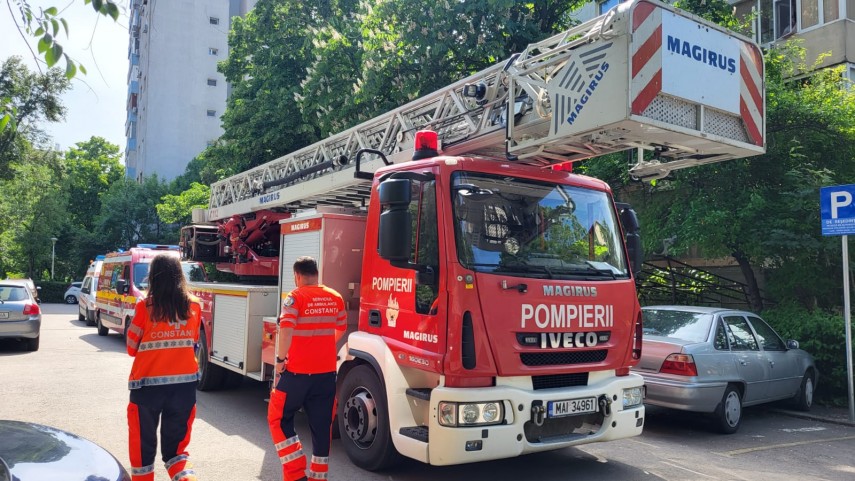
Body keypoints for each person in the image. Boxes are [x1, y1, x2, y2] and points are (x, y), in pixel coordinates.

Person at [268, 256, 347, 481]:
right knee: (322, 427)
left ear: (297, 276)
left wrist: (280, 359)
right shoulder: (335, 297)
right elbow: (340, 328)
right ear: (316, 273)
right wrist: (321, 347)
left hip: (296, 374)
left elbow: (285, 329)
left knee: (278, 418)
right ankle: (318, 477)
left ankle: (295, 474)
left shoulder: (295, 297)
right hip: (325, 375)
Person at [126, 254, 202, 481]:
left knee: (143, 451)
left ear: (153, 278)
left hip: (147, 388)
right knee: (176, 453)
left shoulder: (144, 306)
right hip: (184, 388)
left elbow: (131, 347)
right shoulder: (195, 306)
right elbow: (194, 341)